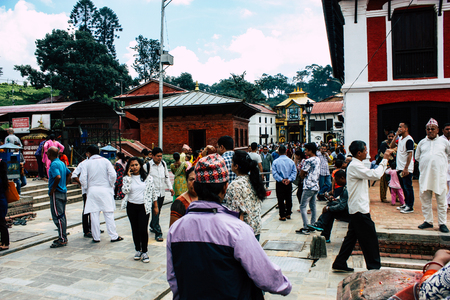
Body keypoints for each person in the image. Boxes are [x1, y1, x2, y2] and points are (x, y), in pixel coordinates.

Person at [166, 154, 292, 299]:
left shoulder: (175, 230)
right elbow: (265, 276)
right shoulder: (237, 230)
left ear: (195, 186)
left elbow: (173, 277)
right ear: (225, 188)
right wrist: (285, 285)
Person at [332, 140, 393, 272]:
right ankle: (374, 267)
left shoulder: (357, 164)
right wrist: (385, 159)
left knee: (351, 238)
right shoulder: (355, 166)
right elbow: (375, 175)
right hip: (359, 209)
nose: (367, 152)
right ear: (359, 153)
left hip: (357, 207)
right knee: (370, 239)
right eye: (365, 150)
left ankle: (340, 262)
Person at [80, 145, 123, 243]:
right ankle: (113, 236)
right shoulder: (106, 161)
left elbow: (82, 179)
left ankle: (96, 237)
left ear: (89, 153)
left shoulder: (86, 163)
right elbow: (113, 175)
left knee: (94, 214)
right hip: (105, 190)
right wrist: (110, 184)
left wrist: (87, 188)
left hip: (92, 190)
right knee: (108, 213)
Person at [415, 118, 450, 233]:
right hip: (425, 176)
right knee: (425, 200)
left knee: (441, 201)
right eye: (428, 129)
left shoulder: (444, 142)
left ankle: (442, 223)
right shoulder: (422, 142)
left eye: (433, 129)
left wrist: (441, 164)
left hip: (439, 177)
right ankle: (428, 221)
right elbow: (418, 157)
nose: (430, 131)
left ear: (437, 130)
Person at [121, 157, 158, 263]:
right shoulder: (126, 178)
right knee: (135, 229)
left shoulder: (148, 178)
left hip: (144, 207)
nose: (134, 167)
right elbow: (125, 191)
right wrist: (128, 178)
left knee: (143, 229)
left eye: (136, 165)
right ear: (129, 167)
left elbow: (153, 192)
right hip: (131, 206)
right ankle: (138, 249)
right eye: (132, 165)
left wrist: (155, 206)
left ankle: (145, 251)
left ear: (140, 165)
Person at [224, 150, 267, 241]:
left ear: (236, 166)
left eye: (232, 162)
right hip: (256, 227)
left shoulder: (235, 185)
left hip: (243, 233)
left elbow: (236, 212)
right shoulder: (253, 180)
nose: (230, 164)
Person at [308, 170, 349, 242]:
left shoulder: (346, 189)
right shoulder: (346, 187)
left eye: (336, 180)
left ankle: (322, 226)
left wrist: (328, 208)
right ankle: (324, 233)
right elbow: (343, 202)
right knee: (331, 205)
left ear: (342, 178)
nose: (336, 182)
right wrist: (334, 200)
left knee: (330, 211)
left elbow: (342, 206)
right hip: (348, 209)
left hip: (350, 213)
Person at [147, 147, 174, 242]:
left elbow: (166, 177)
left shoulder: (163, 164)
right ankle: (158, 233)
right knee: (155, 212)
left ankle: (152, 225)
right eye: (158, 156)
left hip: (161, 193)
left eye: (161, 156)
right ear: (152, 156)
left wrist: (170, 188)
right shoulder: (148, 166)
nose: (159, 158)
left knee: (158, 212)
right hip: (152, 194)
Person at [47, 146, 72, 248]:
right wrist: (64, 185)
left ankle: (62, 239)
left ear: (51, 154)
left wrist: (53, 188)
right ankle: (63, 236)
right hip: (63, 192)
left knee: (58, 216)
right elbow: (69, 173)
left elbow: (58, 177)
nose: (47, 155)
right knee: (62, 215)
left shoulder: (54, 164)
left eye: (47, 153)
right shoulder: (61, 163)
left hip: (56, 193)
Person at [296, 143, 321, 235]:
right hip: (315, 185)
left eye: (306, 150)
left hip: (308, 186)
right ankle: (313, 225)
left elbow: (302, 173)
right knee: (313, 206)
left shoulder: (308, 161)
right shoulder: (317, 159)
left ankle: (306, 227)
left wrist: (303, 175)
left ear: (310, 150)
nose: (305, 152)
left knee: (303, 206)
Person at [391, 122, 415, 213]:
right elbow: (392, 146)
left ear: (406, 129)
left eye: (401, 127)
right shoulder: (400, 139)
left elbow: (410, 154)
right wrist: (396, 135)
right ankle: (406, 203)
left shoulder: (409, 140)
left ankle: (410, 206)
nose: (399, 128)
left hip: (406, 168)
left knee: (408, 186)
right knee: (403, 187)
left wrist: (406, 168)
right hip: (399, 167)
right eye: (398, 127)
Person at [272, 145, 297, 221]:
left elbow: (274, 173)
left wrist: (281, 179)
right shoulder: (291, 161)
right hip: (288, 182)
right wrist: (289, 179)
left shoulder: (275, 162)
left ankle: (282, 215)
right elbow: (294, 172)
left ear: (278, 152)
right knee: (288, 198)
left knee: (280, 199)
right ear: (286, 152)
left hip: (280, 183)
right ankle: (288, 213)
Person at [71, 155, 92, 238]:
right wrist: (82, 184)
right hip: (87, 190)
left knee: (95, 209)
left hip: (94, 190)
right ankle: (86, 230)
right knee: (87, 210)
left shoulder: (96, 162)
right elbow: (74, 175)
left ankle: (93, 227)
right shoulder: (83, 164)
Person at [377, 131, 395, 203]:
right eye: (389, 136)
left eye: (392, 136)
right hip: (384, 165)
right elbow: (382, 154)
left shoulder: (397, 144)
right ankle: (383, 197)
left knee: (394, 182)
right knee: (383, 182)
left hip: (393, 166)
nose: (390, 138)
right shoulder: (383, 144)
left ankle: (395, 197)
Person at [0, 160, 10, 251]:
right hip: (3, 201)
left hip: (1, 202)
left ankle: (5, 243)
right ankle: (3, 241)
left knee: (2, 223)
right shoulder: (3, 177)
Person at [440, 123, 450, 207]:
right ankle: (445, 203)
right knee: (442, 186)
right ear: (443, 130)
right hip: (442, 166)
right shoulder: (439, 140)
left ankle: (446, 202)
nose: (449, 131)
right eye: (447, 129)